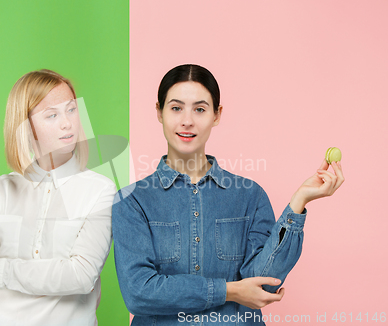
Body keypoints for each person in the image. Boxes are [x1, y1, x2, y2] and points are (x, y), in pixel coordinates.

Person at [111, 64, 344, 325]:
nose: (187, 120)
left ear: (217, 115)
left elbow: (264, 286)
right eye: (176, 108)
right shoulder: (132, 202)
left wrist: (298, 203)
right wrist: (230, 291)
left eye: (200, 109)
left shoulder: (250, 196)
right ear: (159, 112)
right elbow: (139, 293)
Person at [0, 69, 116, 326]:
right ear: (26, 127)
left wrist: (0, 270)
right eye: (52, 115)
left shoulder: (100, 190)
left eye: (72, 110)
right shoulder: (0, 188)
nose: (67, 123)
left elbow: (81, 275)